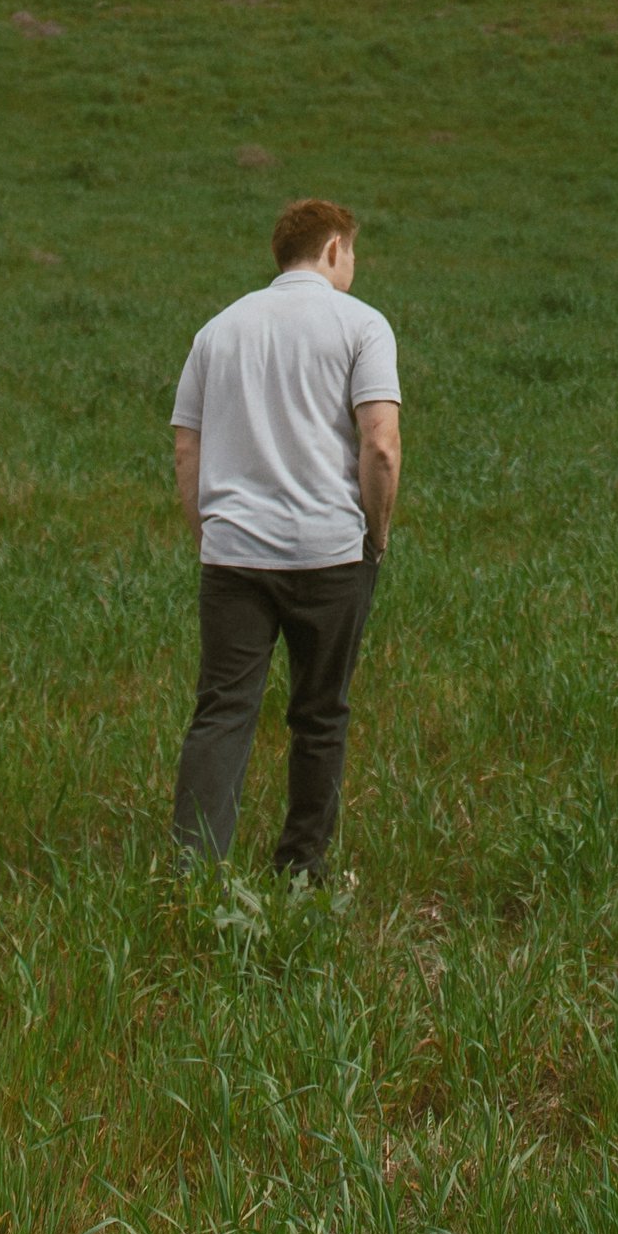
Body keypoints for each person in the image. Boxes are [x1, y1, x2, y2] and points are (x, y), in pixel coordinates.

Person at [170, 196, 402, 882]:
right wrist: (377, 534)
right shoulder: (362, 325)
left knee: (222, 712)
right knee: (321, 714)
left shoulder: (219, 329)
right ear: (333, 249)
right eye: (352, 252)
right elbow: (380, 445)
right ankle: (301, 870)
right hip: (330, 552)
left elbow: (186, 446)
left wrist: (208, 534)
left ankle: (194, 875)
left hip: (233, 554)